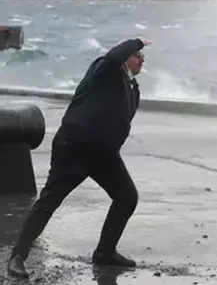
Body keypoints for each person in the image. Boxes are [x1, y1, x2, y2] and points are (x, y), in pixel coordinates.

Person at [7, 37, 152, 278]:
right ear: (125, 56)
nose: (142, 59)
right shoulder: (105, 69)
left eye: (143, 56)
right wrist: (136, 41)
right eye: (138, 55)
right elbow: (113, 56)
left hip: (103, 154)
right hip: (74, 148)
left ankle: (105, 252)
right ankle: (17, 258)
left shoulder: (131, 86)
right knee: (49, 202)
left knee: (127, 197)